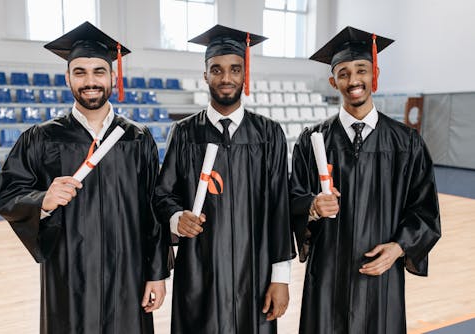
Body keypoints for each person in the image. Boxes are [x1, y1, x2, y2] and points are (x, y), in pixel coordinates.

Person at [0, 21, 172, 334]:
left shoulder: (136, 139)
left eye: (99, 71)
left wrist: (157, 273)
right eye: (80, 72)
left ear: (113, 76)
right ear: (67, 77)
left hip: (128, 276)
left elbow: (151, 211)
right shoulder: (42, 138)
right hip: (68, 276)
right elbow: (4, 194)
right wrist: (41, 199)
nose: (90, 81)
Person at [289, 26, 441, 334]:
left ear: (375, 74)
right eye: (343, 73)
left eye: (361, 70)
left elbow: (425, 210)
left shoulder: (406, 143)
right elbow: (292, 198)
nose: (353, 80)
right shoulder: (312, 139)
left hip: (379, 278)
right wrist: (314, 206)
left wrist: (400, 247)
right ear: (333, 82)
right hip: (327, 274)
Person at [152, 24, 295, 334]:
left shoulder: (269, 135)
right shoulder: (185, 133)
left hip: (254, 272)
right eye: (216, 70)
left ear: (245, 74)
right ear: (205, 75)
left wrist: (280, 278)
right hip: (199, 271)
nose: (226, 78)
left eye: (234, 69)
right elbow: (162, 196)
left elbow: (279, 208)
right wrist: (177, 218)